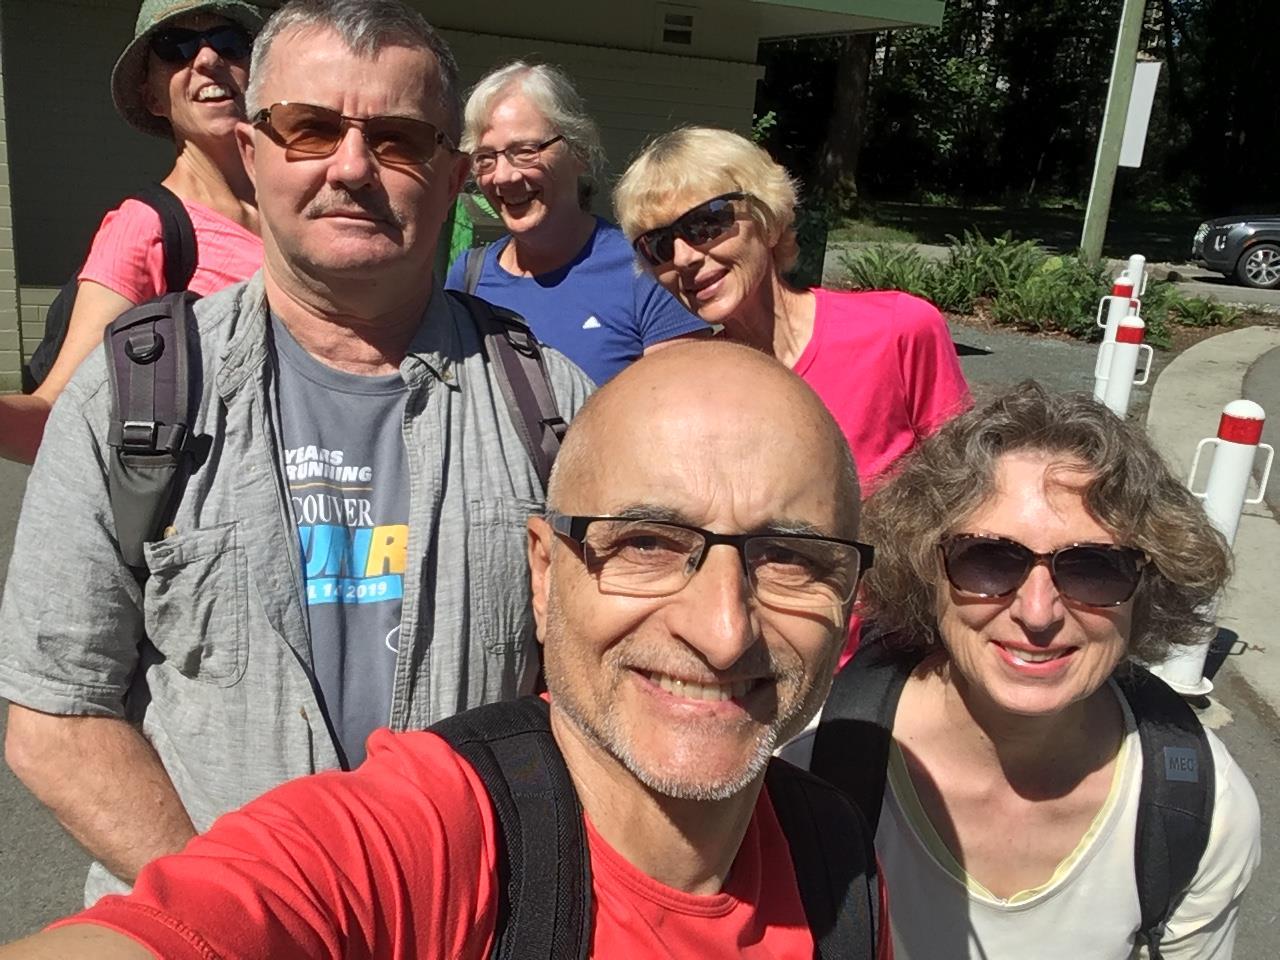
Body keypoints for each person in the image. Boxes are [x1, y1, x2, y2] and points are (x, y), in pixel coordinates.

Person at [0, 341, 889, 960]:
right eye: (647, 544)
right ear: (545, 574)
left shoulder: (835, 856)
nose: (723, 630)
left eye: (792, 558)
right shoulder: (426, 842)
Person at [0, 0, 593, 906]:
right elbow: (55, 715)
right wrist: (249, 913)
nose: (351, 167)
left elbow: (608, 695)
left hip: (473, 924)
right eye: (309, 129)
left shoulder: (552, 404)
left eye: (396, 139)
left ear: (451, 178)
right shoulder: (131, 395)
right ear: (251, 154)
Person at [785, 383, 1261, 959]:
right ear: (925, 571)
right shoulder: (804, 765)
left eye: (1093, 568)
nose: (1038, 613)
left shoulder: (1199, 810)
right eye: (988, 559)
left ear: (1148, 591)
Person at [614, 126, 971, 493]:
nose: (682, 258)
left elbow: (965, 491)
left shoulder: (898, 329)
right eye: (658, 245)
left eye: (705, 224)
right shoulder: (698, 390)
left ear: (769, 223)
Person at [0, 0, 265, 464]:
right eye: (175, 47)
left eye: (230, 42)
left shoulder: (299, 210)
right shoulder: (144, 228)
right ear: (153, 98)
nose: (207, 58)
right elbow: (58, 416)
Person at [444, 61, 705, 385]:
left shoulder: (646, 269)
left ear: (578, 152)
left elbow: (682, 401)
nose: (503, 176)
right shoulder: (469, 277)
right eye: (485, 158)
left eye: (525, 151)